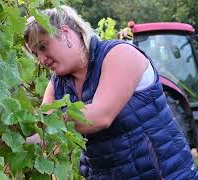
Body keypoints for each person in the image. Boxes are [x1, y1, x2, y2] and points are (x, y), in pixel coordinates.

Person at [23, 5, 198, 180]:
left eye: (43, 47)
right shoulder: (57, 83)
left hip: (165, 174)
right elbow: (44, 131)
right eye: (36, 53)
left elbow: (100, 116)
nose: (41, 59)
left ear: (65, 32)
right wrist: (17, 136)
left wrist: (50, 122)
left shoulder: (120, 54)